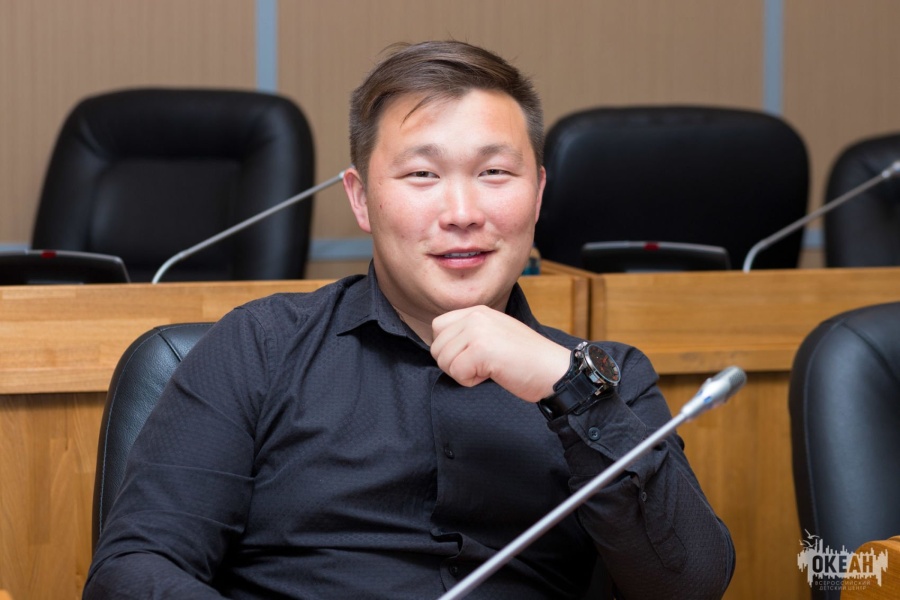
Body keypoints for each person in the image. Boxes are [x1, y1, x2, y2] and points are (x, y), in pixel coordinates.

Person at [84, 40, 735, 599]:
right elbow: (134, 570)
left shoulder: (608, 378)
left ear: (538, 194)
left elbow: (691, 584)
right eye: (423, 174)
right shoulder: (258, 348)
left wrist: (568, 388)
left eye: (494, 172)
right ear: (360, 198)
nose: (462, 213)